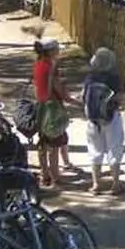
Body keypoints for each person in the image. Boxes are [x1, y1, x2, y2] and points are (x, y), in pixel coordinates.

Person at [82, 48, 125, 195]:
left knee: (94, 150)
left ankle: (96, 184)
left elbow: (84, 98)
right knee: (114, 148)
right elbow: (119, 98)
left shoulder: (90, 78)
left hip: (93, 119)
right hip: (111, 117)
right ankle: (116, 184)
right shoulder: (114, 78)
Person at [32, 38, 75, 188]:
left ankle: (45, 175)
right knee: (54, 146)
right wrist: (75, 101)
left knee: (43, 143)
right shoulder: (52, 66)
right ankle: (55, 178)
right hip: (53, 108)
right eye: (57, 49)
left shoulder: (37, 64)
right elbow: (58, 89)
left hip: (41, 107)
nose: (59, 51)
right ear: (50, 51)